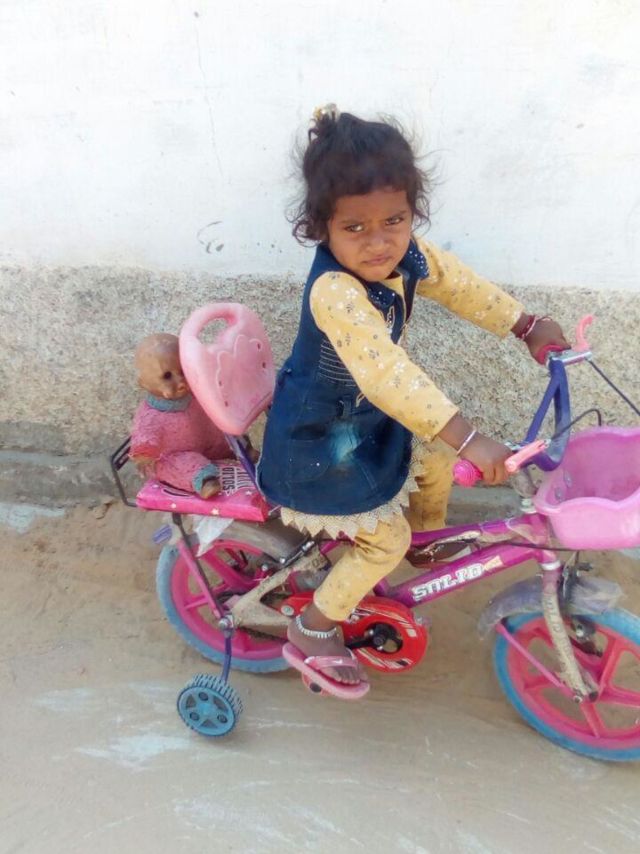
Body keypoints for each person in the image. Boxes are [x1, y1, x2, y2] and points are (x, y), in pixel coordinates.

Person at [257, 106, 569, 696]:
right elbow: (386, 376)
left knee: (434, 454)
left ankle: (427, 544)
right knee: (385, 541)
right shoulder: (335, 292)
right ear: (322, 227)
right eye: (355, 228)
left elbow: (459, 284)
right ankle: (314, 625)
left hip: (363, 419)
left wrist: (526, 324)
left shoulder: (407, 255)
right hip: (320, 442)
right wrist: (470, 436)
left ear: (411, 212)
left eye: (394, 221)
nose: (379, 243)